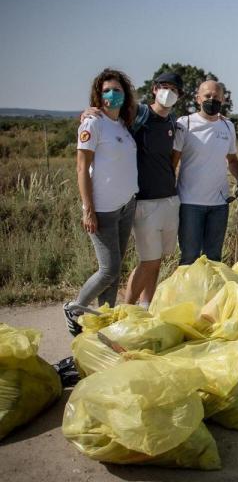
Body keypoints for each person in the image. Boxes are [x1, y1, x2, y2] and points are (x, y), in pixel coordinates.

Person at [66, 69, 139, 335]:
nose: (112, 94)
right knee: (108, 270)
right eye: (106, 90)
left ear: (125, 94)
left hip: (125, 206)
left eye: (117, 90)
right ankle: (75, 308)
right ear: (99, 95)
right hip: (102, 210)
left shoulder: (122, 124)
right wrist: (88, 210)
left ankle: (102, 320)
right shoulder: (92, 123)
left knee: (115, 270)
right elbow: (81, 169)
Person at [172, 80, 238, 265]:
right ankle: (187, 295)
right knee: (189, 257)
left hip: (219, 205)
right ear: (198, 98)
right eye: (207, 96)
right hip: (190, 203)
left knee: (214, 258)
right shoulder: (185, 124)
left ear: (223, 99)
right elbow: (172, 163)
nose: (212, 100)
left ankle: (210, 294)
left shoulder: (227, 126)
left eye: (216, 97)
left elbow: (231, 159)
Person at [124, 71, 183, 307]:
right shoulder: (138, 113)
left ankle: (146, 307)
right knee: (148, 260)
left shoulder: (173, 122)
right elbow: (106, 118)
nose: (168, 92)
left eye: (174, 89)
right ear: (154, 89)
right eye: (164, 86)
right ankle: (126, 311)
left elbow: (172, 160)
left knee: (157, 260)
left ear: (179, 95)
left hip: (169, 198)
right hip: (144, 200)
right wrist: (90, 113)